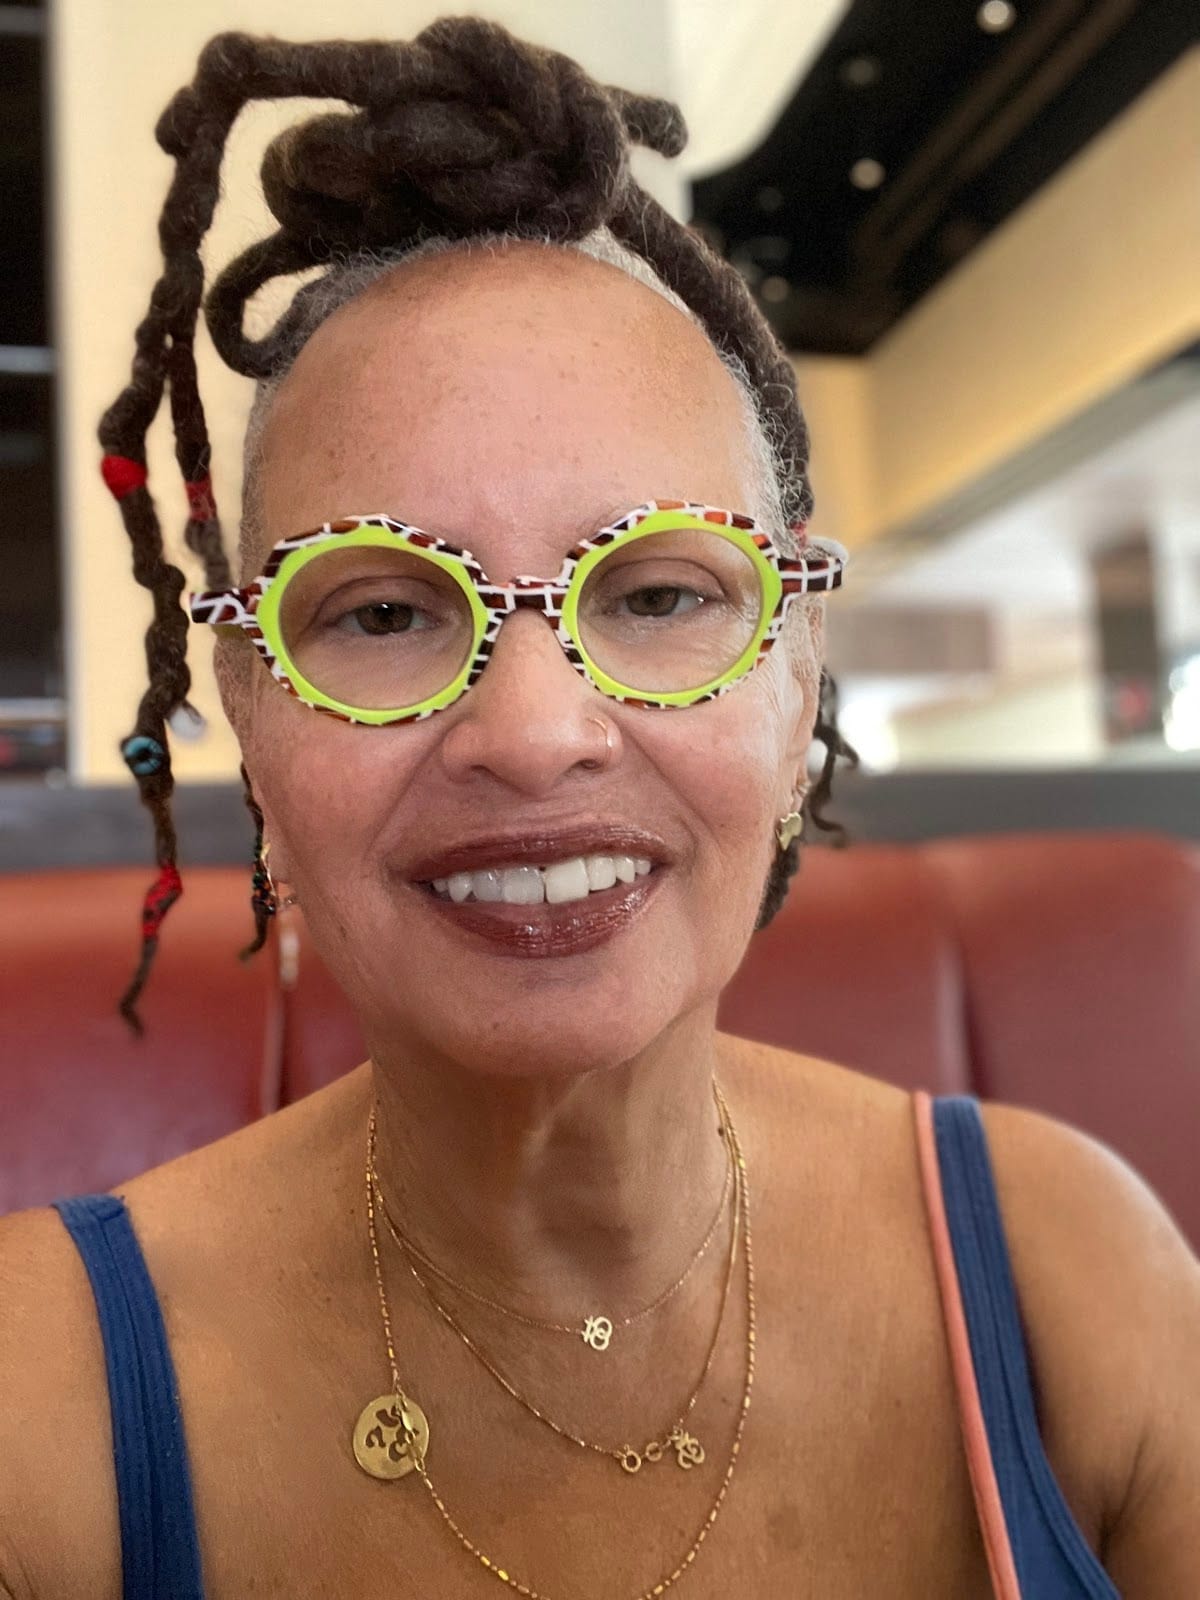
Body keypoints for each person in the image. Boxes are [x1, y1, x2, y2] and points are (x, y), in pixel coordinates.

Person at [1, 20, 1197, 1600]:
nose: (537, 732)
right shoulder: (42, 1405)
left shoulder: (1074, 1275)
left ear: (794, 691)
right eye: (383, 613)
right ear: (256, 730)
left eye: (653, 593)